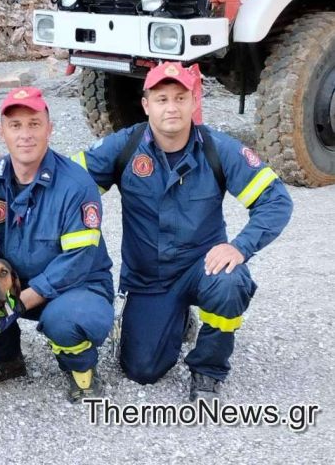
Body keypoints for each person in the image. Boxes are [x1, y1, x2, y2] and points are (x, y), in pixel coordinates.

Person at [69, 61, 293, 400]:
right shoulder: (125, 147)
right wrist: (6, 170)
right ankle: (178, 318)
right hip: (149, 279)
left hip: (203, 268)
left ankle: (208, 369)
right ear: (146, 105)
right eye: (161, 99)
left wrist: (240, 247)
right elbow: (64, 181)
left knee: (230, 283)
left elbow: (276, 200)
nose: (171, 107)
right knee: (142, 370)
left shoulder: (219, 149)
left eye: (180, 98)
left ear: (194, 102)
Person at [0, 87, 115, 403]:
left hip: (76, 287)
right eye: (15, 125)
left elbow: (76, 262)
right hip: (19, 283)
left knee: (66, 320)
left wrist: (17, 303)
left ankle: (80, 368)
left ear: (49, 129)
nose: (25, 135)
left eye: (34, 124)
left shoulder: (76, 184)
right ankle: (3, 358)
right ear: (1, 132)